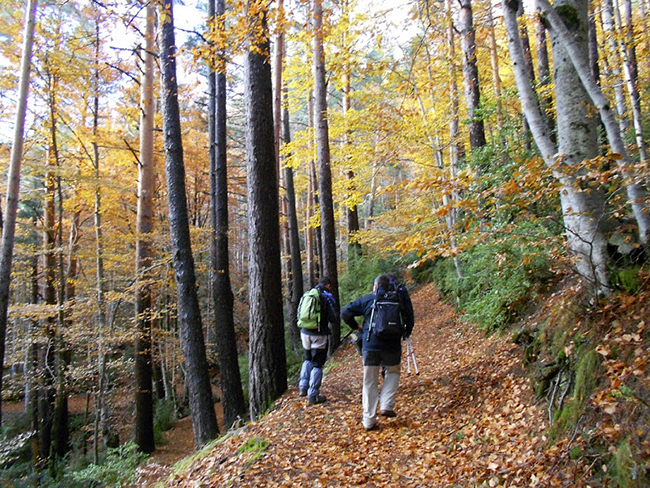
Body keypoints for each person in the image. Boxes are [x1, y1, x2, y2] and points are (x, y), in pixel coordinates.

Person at [341, 274, 415, 430]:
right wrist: (405, 332)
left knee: (370, 381)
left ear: (376, 286)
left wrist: (356, 327)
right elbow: (409, 318)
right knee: (393, 372)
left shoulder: (369, 300)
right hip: (392, 345)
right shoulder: (398, 300)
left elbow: (345, 312)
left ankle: (369, 420)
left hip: (371, 346)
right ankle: (387, 404)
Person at [299, 276, 338, 405]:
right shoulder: (325, 296)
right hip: (319, 334)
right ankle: (313, 395)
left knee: (307, 359)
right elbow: (332, 318)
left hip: (304, 332)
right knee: (318, 363)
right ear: (327, 286)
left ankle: (303, 387)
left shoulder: (308, 294)